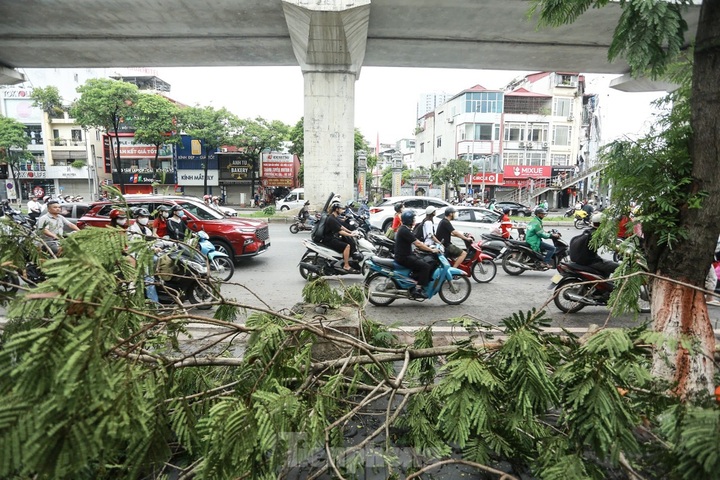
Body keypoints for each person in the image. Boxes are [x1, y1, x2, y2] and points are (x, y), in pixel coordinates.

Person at [394, 209, 439, 298]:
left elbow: (417, 241)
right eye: (413, 219)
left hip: (405, 255)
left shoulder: (404, 229)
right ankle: (418, 289)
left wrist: (428, 248)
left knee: (422, 260)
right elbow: (417, 243)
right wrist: (431, 250)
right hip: (404, 257)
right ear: (409, 220)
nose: (414, 221)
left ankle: (414, 283)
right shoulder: (404, 230)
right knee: (425, 266)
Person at [126, 208, 160, 304]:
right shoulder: (132, 230)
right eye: (142, 217)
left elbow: (153, 241)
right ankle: (154, 304)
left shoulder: (147, 230)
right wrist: (152, 249)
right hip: (137, 257)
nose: (145, 219)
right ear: (136, 218)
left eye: (146, 217)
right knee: (149, 281)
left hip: (147, 256)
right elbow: (138, 245)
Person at [569, 213, 619, 277]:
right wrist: (624, 251)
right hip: (590, 262)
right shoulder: (598, 235)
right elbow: (613, 247)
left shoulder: (588, 232)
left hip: (580, 261)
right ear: (602, 224)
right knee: (618, 267)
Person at [321, 201, 360, 272]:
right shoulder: (331, 219)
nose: (342, 210)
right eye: (340, 209)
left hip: (331, 237)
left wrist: (350, 231)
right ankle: (346, 265)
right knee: (347, 246)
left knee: (347, 241)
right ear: (336, 209)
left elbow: (341, 227)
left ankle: (343, 260)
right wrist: (351, 235)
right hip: (328, 239)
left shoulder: (333, 217)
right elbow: (340, 231)